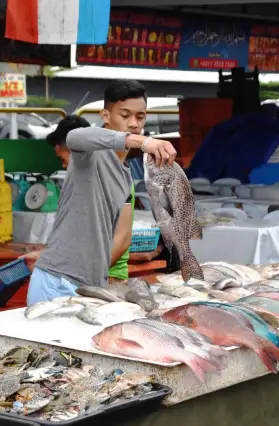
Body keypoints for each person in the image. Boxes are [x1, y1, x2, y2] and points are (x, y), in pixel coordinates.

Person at [22, 80, 177, 304]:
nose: (133, 123)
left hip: (89, 287)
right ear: (105, 116)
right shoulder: (90, 153)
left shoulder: (125, 178)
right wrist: (143, 142)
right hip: (56, 282)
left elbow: (122, 237)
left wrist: (96, 273)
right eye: (125, 115)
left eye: (140, 117)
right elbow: (75, 137)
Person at [45, 113, 135, 282]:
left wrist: (89, 272)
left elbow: (122, 239)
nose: (63, 166)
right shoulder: (83, 183)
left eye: (62, 159)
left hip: (107, 277)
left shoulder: (111, 178)